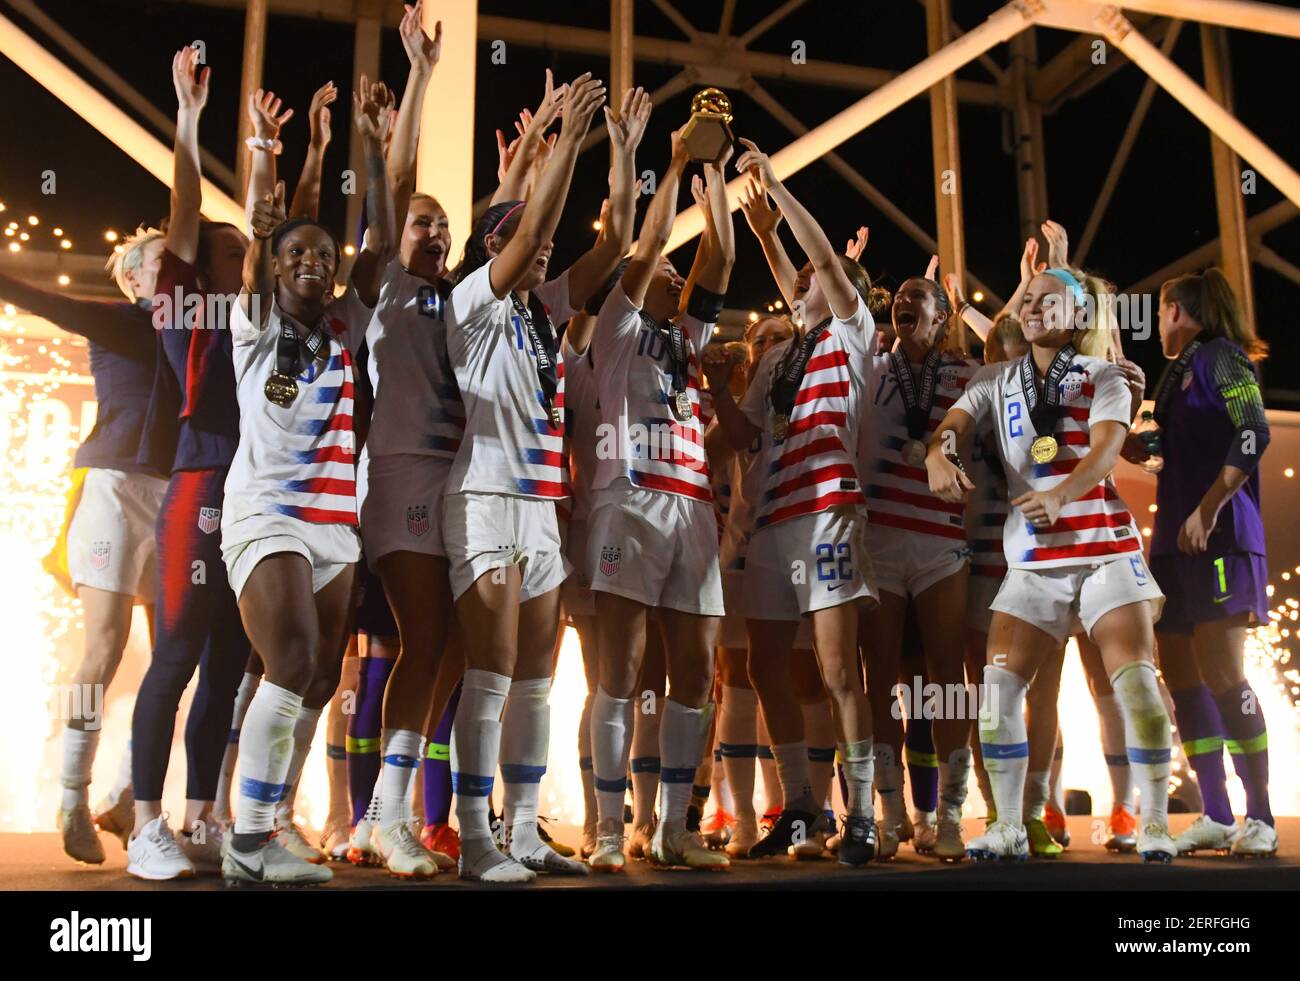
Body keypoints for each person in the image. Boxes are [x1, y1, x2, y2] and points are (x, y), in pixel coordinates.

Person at [926, 268, 1174, 863]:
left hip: (1102, 550)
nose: (1033, 308)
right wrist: (940, 454)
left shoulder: (1103, 374)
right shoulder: (993, 379)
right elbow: (951, 428)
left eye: (1049, 300)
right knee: (998, 692)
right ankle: (1010, 823)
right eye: (1029, 299)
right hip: (1034, 560)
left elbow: (1108, 448)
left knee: (1135, 683)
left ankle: (1157, 822)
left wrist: (1062, 493)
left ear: (1078, 314)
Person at [441, 71, 620, 883]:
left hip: (540, 507)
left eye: (543, 245)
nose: (542, 248)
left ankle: (521, 830)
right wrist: (567, 142)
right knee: (491, 674)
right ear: (494, 246)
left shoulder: (545, 311)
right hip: (483, 499)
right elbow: (533, 221)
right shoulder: (474, 298)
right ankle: (474, 839)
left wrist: (621, 149)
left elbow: (611, 249)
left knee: (538, 682)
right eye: (524, 240)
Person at [218, 81, 394, 885]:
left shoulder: (341, 328)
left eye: (325, 255)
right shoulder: (254, 323)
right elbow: (266, 232)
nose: (315, 263)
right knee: (290, 659)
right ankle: (245, 839)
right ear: (278, 268)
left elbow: (380, 245)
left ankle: (271, 819)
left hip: (334, 524)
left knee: (319, 676)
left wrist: (370, 148)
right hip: (266, 514)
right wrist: (274, 152)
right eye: (300, 255)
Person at [710, 142, 881, 866]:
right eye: (798, 279)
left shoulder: (852, 333)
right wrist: (710, 385)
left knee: (840, 669)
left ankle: (864, 813)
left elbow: (824, 270)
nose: (800, 282)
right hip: (774, 522)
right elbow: (740, 433)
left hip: (828, 512)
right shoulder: (782, 355)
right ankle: (801, 806)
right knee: (763, 666)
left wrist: (777, 190)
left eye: (815, 279)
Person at [586, 124, 732, 873]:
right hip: (629, 500)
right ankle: (613, 827)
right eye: (666, 273)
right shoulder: (616, 328)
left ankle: (673, 826)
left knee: (697, 667)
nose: (676, 276)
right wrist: (674, 162)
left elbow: (724, 258)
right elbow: (643, 254)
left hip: (694, 507)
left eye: (682, 274)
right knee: (620, 668)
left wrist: (721, 183)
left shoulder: (689, 338)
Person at [126, 48, 254, 880]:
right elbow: (182, 211)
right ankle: (145, 826)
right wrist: (187, 115)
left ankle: (202, 816)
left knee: (229, 668)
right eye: (238, 253)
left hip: (258, 498)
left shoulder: (265, 319)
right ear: (203, 267)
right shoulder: (190, 306)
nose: (252, 264)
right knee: (174, 655)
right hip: (199, 489)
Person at [1, 228, 166, 867]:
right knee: (103, 647)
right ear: (131, 278)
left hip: (178, 496)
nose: (171, 272)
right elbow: (38, 298)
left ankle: (127, 795)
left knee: (176, 656)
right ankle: (73, 794)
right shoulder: (116, 319)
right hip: (112, 487)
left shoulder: (199, 330)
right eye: (158, 263)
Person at [1130, 268, 1278, 858]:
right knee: (1183, 677)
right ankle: (1215, 814)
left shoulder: (1220, 357)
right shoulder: (1175, 373)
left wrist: (1210, 508)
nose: (1159, 323)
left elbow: (1254, 431)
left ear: (1177, 310)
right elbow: (1164, 453)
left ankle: (1260, 816)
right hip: (1173, 543)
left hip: (1219, 537)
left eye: (1163, 311)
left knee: (1223, 674)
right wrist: (1128, 441)